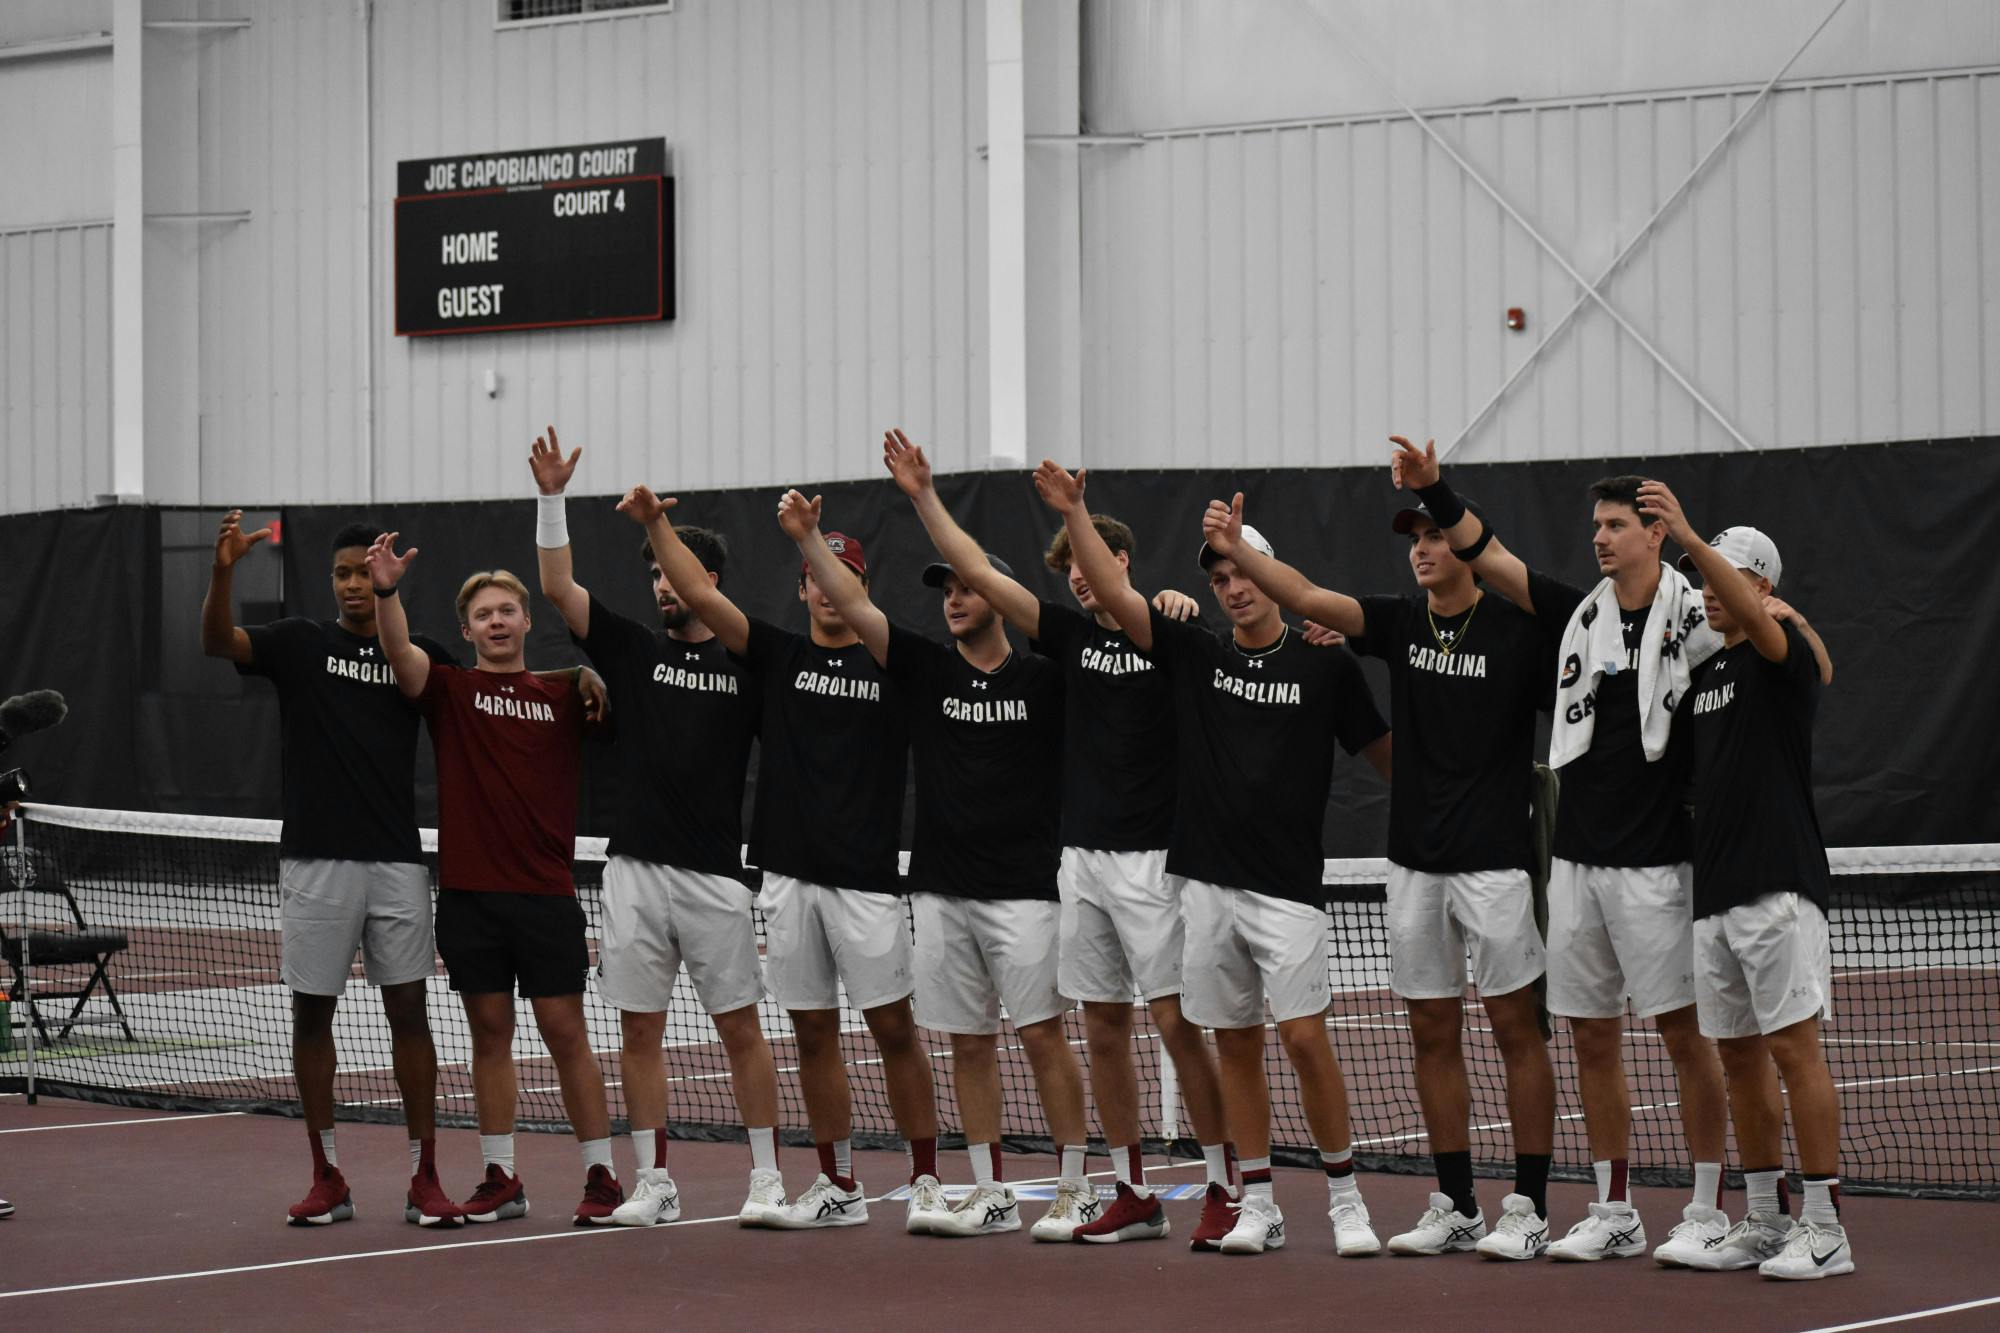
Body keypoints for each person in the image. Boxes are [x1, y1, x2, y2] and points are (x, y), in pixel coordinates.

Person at [1386, 438, 1831, 1265]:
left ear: (1655, 534)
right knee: (1591, 1034)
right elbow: (1488, 553)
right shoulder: (1576, 615)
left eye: (1618, 524)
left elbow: (1804, 662)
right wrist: (1437, 489)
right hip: (1578, 861)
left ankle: (1704, 1206)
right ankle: (1614, 1206)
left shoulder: (1705, 620)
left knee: (1684, 1035)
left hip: (1663, 863)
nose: (1601, 537)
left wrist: (1791, 616)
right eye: (1597, 523)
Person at [882, 428, 1234, 1244]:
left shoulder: (1173, 640)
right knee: (1103, 1027)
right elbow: (973, 568)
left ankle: (1224, 1185)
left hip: (1157, 863)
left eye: (1095, 561)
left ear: (1125, 565)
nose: (1082, 575)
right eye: (1072, 568)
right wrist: (924, 495)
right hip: (1080, 864)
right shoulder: (1065, 643)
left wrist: (1081, 516)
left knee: (1179, 1025)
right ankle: (1130, 1188)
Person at [1038, 460, 1393, 1258]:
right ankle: (1258, 1201)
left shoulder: (1326, 664)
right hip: (1204, 888)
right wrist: (1079, 510)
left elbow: (1386, 755)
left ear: (1273, 576)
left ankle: (1345, 1198)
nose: (1233, 586)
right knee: (1234, 1041)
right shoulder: (1193, 655)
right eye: (1220, 574)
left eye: (1244, 570)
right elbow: (1113, 593)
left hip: (1289, 890)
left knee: (1304, 1041)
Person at [1199, 488, 1561, 1260]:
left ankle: (1529, 1204)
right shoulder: (1400, 621)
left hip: (1496, 860)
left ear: (1466, 544)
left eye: (1436, 535)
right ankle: (1457, 1202)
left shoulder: (1521, 633)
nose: (1423, 548)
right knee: (1431, 1031)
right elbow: (1299, 594)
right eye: (1415, 537)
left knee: (1515, 1029)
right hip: (1415, 867)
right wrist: (1239, 547)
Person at [773, 477, 1095, 1240]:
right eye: (944, 588)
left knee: (1043, 1035)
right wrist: (806, 539)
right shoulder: (923, 668)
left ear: (1000, 595)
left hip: (1024, 892)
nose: (953, 598)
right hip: (942, 892)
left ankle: (1077, 1184)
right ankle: (989, 1191)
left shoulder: (1048, 679)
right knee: (970, 1042)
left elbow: (1122, 631)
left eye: (965, 586)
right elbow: (851, 605)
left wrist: (1175, 602)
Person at [619, 485, 943, 1231]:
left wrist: (811, 537)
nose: (830, 591)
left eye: (846, 579)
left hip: (865, 881)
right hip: (788, 878)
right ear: (802, 588)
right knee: (812, 1033)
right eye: (818, 578)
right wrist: (657, 524)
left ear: (861, 590)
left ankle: (926, 1180)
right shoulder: (774, 656)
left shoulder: (894, 664)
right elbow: (697, 588)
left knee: (895, 1030)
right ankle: (838, 1184)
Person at [529, 427, 785, 1228]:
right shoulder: (631, 648)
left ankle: (768, 1177)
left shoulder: (749, 663)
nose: (662, 589)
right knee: (640, 1028)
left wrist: (655, 528)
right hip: (634, 870)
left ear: (706, 580)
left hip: (714, 875)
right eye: (656, 579)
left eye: (675, 577)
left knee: (740, 1027)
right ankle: (655, 1182)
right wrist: (551, 497)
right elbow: (557, 586)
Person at [201, 515, 466, 1229]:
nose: (355, 583)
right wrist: (224, 569)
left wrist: (578, 679)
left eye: (366, 572)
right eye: (344, 573)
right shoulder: (297, 642)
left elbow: (494, 689)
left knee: (410, 1014)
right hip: (315, 863)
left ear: (388, 576)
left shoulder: (416, 655)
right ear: (331, 580)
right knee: (311, 1014)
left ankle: (426, 1176)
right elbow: (217, 641)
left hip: (397, 865)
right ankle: (326, 1176)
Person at [365, 537, 621, 1227]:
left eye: (508, 609)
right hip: (472, 898)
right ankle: (501, 1174)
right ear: (468, 628)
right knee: (489, 1033)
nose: (498, 621)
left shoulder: (564, 691)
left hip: (546, 896)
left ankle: (602, 1174)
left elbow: (606, 681)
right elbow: (398, 653)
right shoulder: (448, 689)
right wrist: (387, 591)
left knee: (567, 1032)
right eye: (485, 614)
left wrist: (587, 674)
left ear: (527, 620)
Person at [1637, 484, 1852, 1280]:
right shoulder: (1704, 674)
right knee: (1738, 1058)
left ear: (1762, 587)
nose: (1706, 591)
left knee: (1796, 1050)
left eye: (1724, 576)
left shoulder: (1779, 651)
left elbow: (1789, 640)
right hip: (1715, 891)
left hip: (1778, 885)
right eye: (1703, 578)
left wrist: (1688, 534)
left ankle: (1826, 1225)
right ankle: (1763, 1218)